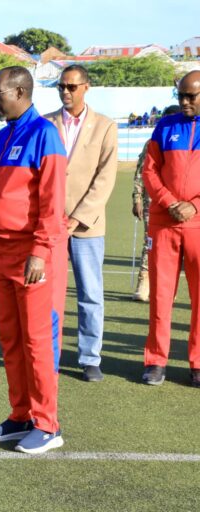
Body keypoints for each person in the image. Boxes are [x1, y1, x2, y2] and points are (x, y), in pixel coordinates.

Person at [0, 66, 67, 454]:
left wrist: (40, 251)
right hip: (1, 254)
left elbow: (52, 202)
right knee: (10, 340)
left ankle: (48, 424)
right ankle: (21, 415)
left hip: (32, 255)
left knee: (37, 342)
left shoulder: (45, 134)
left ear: (22, 91)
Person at [44, 64, 118, 383]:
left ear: (86, 87)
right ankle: (49, 354)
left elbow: (105, 179)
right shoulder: (46, 123)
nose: (66, 92)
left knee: (90, 293)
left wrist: (77, 217)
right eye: (61, 86)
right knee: (49, 294)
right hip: (52, 225)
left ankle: (90, 357)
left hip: (87, 226)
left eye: (72, 87)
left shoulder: (105, 126)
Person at [141, 70, 200, 387]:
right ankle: (155, 361)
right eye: (181, 96)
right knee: (161, 297)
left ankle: (198, 363)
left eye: (191, 96)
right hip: (164, 222)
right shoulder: (165, 126)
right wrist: (169, 201)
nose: (185, 102)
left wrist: (194, 206)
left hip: (198, 225)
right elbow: (150, 171)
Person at [131, 104, 182, 302]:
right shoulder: (152, 143)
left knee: (178, 246)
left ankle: (169, 288)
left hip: (180, 202)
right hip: (152, 201)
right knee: (150, 243)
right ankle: (144, 284)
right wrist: (136, 197)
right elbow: (141, 173)